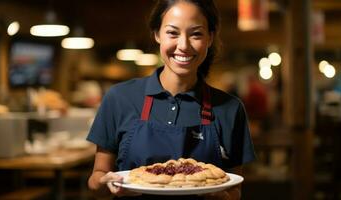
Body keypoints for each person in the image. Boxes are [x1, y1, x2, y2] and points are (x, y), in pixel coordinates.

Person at [87, 0, 256, 199]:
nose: (183, 45)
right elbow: (97, 179)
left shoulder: (230, 109)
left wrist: (222, 197)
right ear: (157, 34)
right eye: (172, 33)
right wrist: (104, 184)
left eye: (196, 34)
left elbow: (234, 188)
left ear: (210, 38)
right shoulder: (119, 98)